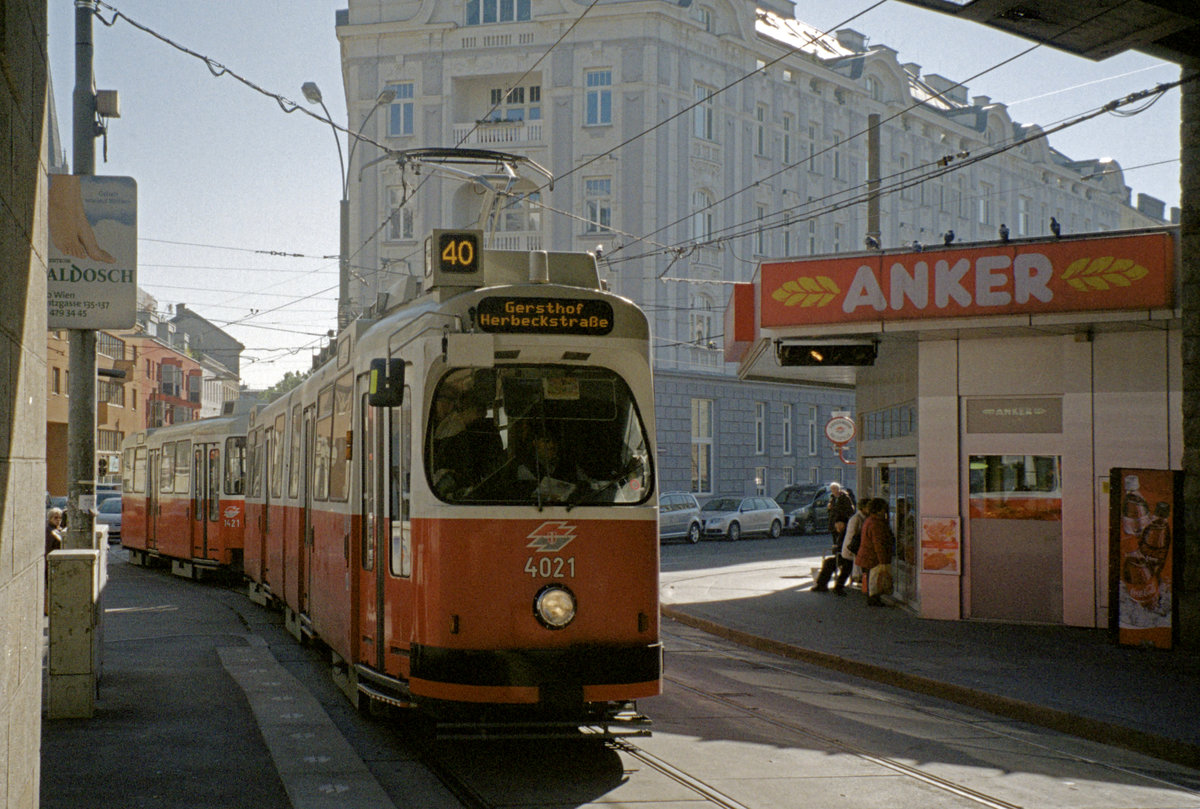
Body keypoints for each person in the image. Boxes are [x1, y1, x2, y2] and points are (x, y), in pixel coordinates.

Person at [855, 498, 895, 606]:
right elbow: (879, 544)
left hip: (866, 555)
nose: (885, 512)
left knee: (870, 579)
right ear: (879, 510)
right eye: (884, 509)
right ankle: (873, 600)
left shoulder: (869, 520)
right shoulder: (877, 524)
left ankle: (872, 598)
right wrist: (883, 561)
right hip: (873, 557)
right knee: (874, 580)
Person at [833, 499, 870, 596]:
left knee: (847, 569)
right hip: (852, 547)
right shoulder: (856, 518)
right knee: (847, 569)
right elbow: (852, 534)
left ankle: (839, 587)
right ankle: (838, 587)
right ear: (863, 508)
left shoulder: (862, 517)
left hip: (853, 547)